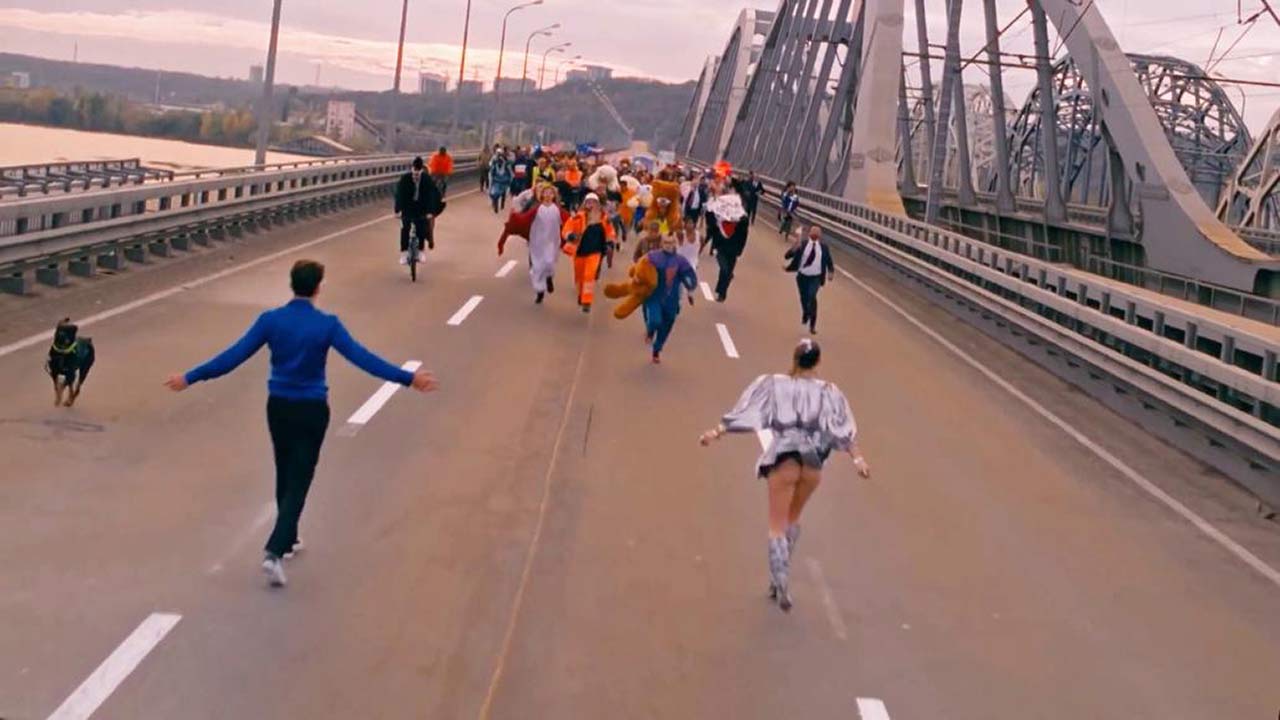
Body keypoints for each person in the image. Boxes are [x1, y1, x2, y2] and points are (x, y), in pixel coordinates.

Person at [165, 260, 438, 588]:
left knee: (284, 469)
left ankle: (290, 537)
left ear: (291, 284)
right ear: (318, 288)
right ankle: (274, 550)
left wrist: (190, 377)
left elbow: (232, 357)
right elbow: (363, 358)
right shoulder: (327, 325)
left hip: (278, 406)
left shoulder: (270, 320)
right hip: (312, 408)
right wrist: (408, 378)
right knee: (300, 479)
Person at [699, 339, 870, 612]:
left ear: (795, 359)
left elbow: (748, 412)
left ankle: (780, 579)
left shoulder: (775, 384)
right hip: (813, 464)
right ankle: (777, 576)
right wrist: (858, 459)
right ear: (818, 361)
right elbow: (843, 429)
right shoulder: (829, 392)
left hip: (785, 458)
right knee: (792, 519)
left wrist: (717, 432)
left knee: (776, 525)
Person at [643, 234, 698, 364]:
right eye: (666, 242)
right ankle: (650, 331)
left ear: (675, 244)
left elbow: (688, 276)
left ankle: (657, 350)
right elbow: (641, 271)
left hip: (671, 300)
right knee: (655, 320)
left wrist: (690, 290)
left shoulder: (680, 261)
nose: (669, 245)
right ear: (662, 244)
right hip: (654, 296)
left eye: (671, 243)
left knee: (666, 327)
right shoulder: (652, 257)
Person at [562, 192, 616, 313]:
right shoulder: (577, 217)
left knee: (589, 275)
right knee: (579, 277)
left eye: (594, 202)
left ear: (598, 204)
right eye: (589, 202)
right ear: (584, 204)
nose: (591, 204)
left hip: (595, 252)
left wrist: (610, 243)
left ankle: (587, 301)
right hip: (579, 252)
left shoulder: (604, 218)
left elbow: (610, 232)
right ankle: (581, 295)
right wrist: (570, 236)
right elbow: (566, 229)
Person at [784, 225, 835, 335]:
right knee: (804, 297)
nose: (815, 234)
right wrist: (795, 247)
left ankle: (812, 324)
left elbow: (829, 261)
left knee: (812, 297)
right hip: (802, 276)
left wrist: (831, 272)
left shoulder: (824, 248)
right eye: (813, 232)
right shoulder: (803, 244)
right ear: (809, 234)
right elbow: (788, 255)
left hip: (816, 277)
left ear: (820, 235)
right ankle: (806, 313)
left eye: (817, 233)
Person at [394, 156, 443, 263]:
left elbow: (431, 196)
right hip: (407, 206)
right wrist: (397, 210)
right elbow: (399, 195)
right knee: (405, 228)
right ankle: (404, 253)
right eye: (414, 171)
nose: (416, 174)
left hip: (421, 207)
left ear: (421, 171)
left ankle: (421, 251)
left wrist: (430, 211)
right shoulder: (405, 179)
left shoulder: (426, 179)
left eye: (418, 172)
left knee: (421, 228)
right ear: (412, 169)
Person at [708, 182, 749, 302]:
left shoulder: (742, 215)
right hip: (722, 245)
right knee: (724, 269)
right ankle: (721, 289)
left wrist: (740, 249)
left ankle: (722, 292)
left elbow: (744, 235)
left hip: (734, 247)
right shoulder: (722, 206)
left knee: (727, 271)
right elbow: (713, 223)